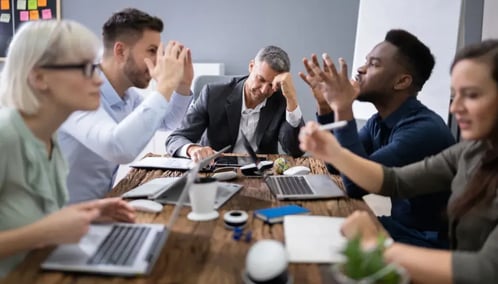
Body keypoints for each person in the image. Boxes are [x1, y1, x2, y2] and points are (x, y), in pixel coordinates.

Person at [299, 39, 498, 284]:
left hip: (432, 245)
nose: (455, 108)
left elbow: (486, 271)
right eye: (454, 95)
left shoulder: (426, 130)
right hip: (411, 235)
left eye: (472, 95)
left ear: (402, 81)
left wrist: (375, 245)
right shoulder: (472, 151)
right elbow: (393, 181)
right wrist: (334, 149)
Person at [0, 20, 135, 277]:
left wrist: (87, 213)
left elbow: (32, 217)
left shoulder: (49, 137)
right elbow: (42, 230)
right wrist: (45, 232)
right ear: (39, 77)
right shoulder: (5, 136)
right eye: (86, 69)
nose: (99, 81)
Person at [300, 30, 455, 248]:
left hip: (427, 243)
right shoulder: (378, 121)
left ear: (401, 81)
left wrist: (343, 107)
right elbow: (338, 166)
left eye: (374, 64)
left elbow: (355, 185)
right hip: (401, 228)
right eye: (365, 62)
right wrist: (326, 106)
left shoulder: (424, 130)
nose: (361, 69)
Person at [58, 8, 193, 203]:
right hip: (57, 221)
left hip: (97, 210)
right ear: (120, 51)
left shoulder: (127, 95)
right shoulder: (77, 92)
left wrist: (182, 86)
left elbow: (168, 122)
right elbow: (118, 148)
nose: (159, 60)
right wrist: (165, 85)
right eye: (152, 51)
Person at [166, 45, 304, 162]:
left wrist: (292, 100)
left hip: (260, 175)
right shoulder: (212, 95)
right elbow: (176, 138)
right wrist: (192, 149)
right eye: (260, 79)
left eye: (271, 85)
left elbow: (295, 151)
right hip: (217, 171)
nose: (263, 90)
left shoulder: (280, 100)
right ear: (251, 66)